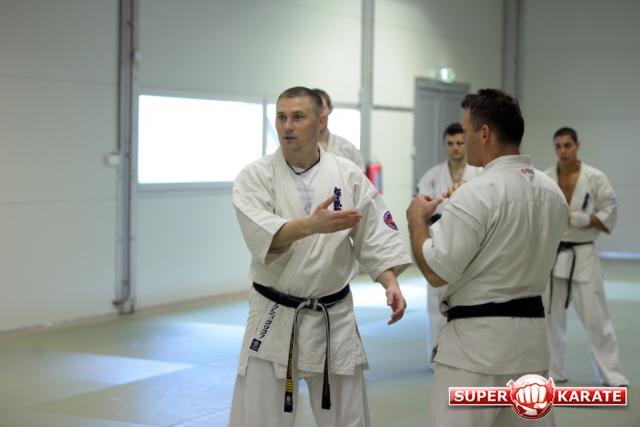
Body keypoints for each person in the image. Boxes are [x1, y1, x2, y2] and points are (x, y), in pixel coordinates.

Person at [229, 86, 413, 427]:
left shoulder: (347, 173)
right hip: (274, 313)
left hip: (334, 314)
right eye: (281, 117)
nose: (287, 126)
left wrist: (390, 282)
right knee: (260, 418)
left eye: (298, 117)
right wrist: (311, 226)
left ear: (321, 122)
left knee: (347, 418)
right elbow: (261, 234)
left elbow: (373, 232)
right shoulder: (255, 176)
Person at [407, 88, 569, 426]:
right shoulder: (552, 193)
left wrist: (417, 221)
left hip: (475, 350)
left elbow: (436, 272)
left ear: (484, 133)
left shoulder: (478, 192)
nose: (463, 141)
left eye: (466, 131)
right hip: (532, 346)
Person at [544, 127, 628, 387]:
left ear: (577, 145)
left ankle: (612, 376)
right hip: (553, 255)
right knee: (550, 320)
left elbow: (609, 213)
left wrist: (587, 219)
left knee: (597, 319)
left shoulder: (595, 178)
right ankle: (553, 372)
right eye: (558, 146)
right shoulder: (546, 178)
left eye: (567, 145)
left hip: (583, 254)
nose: (563, 151)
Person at [416, 122, 481, 370]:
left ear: (466, 143)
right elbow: (420, 210)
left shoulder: (480, 173)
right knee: (435, 300)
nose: (456, 148)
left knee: (471, 297)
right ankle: (436, 357)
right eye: (451, 143)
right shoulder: (432, 176)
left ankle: (468, 355)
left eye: (460, 143)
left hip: (470, 239)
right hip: (438, 238)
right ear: (444, 145)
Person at [314, 88, 366, 171]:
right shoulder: (297, 148)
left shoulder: (348, 149)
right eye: (313, 109)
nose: (319, 114)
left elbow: (361, 178)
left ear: (330, 108)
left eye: (322, 108)